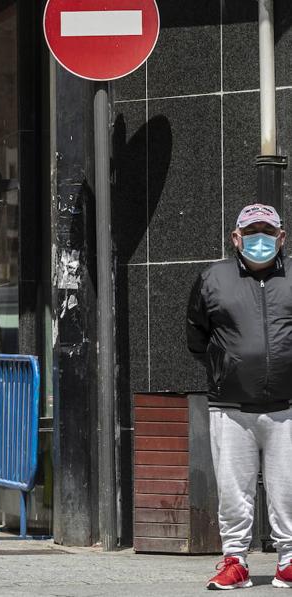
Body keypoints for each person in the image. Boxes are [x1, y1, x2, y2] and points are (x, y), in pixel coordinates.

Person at [187, 203, 292, 590]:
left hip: (287, 406)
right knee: (233, 491)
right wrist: (223, 367)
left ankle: (288, 562)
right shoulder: (213, 278)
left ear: (282, 237)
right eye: (251, 232)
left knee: (289, 489)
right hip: (231, 406)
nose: (259, 239)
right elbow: (196, 335)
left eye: (268, 231)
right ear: (236, 237)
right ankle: (236, 561)